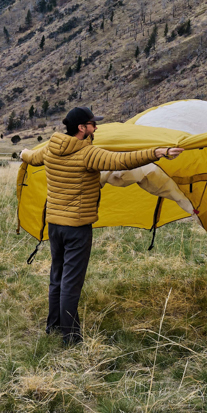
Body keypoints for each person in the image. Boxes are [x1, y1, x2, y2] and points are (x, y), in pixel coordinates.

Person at [21, 106, 183, 345]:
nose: (96, 127)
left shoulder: (51, 148)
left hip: (54, 225)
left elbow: (32, 158)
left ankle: (53, 326)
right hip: (77, 228)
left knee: (57, 276)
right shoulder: (88, 154)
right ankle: (71, 337)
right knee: (71, 282)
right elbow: (123, 160)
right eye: (92, 124)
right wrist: (159, 151)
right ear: (81, 128)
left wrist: (23, 152)